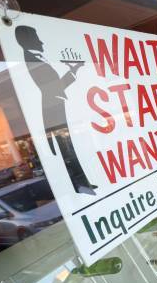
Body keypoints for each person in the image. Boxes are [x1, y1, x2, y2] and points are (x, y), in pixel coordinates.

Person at [15, 25, 97, 195]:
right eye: (36, 37)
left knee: (68, 148)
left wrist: (73, 70)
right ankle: (79, 185)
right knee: (67, 149)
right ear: (29, 40)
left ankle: (81, 184)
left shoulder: (36, 58)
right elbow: (53, 88)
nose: (41, 41)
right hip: (53, 107)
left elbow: (54, 86)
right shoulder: (33, 60)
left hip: (56, 105)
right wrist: (73, 71)